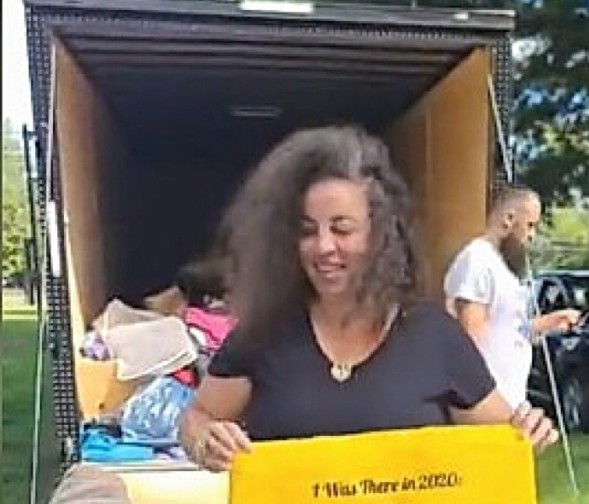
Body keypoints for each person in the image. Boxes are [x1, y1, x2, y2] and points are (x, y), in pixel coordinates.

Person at [178, 126, 558, 471]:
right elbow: (198, 416)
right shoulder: (263, 334)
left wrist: (528, 429)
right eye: (307, 231)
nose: (323, 246)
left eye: (342, 229)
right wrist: (204, 440)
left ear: (381, 235)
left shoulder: (434, 336)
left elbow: (501, 439)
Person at [444, 187, 581, 411]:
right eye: (530, 225)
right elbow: (469, 343)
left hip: (512, 403)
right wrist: (483, 405)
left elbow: (509, 330)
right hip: (485, 408)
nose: (532, 235)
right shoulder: (477, 260)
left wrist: (552, 321)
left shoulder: (503, 267)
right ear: (509, 219)